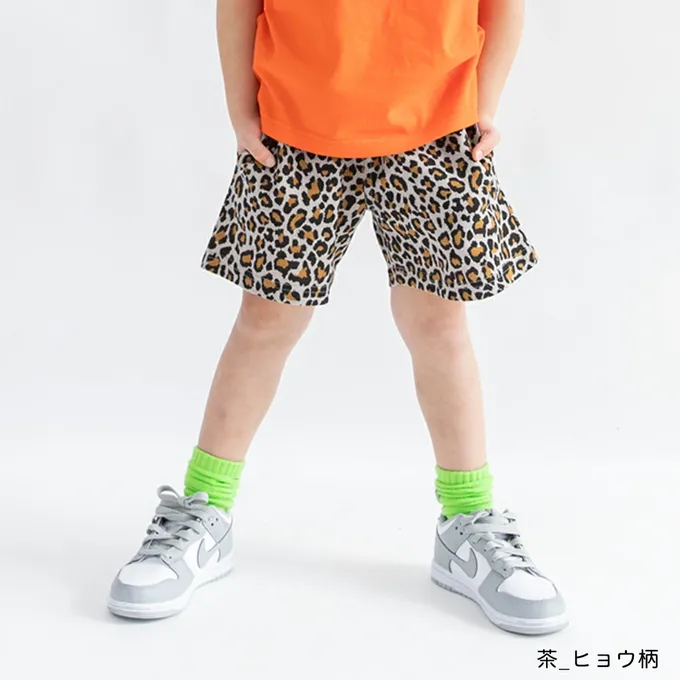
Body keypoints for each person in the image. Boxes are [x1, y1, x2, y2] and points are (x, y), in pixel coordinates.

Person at [108, 0, 567, 634]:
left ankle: (468, 520)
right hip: (295, 128)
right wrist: (240, 108)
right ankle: (204, 509)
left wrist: (484, 103)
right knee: (267, 322)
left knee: (439, 325)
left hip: (438, 125)